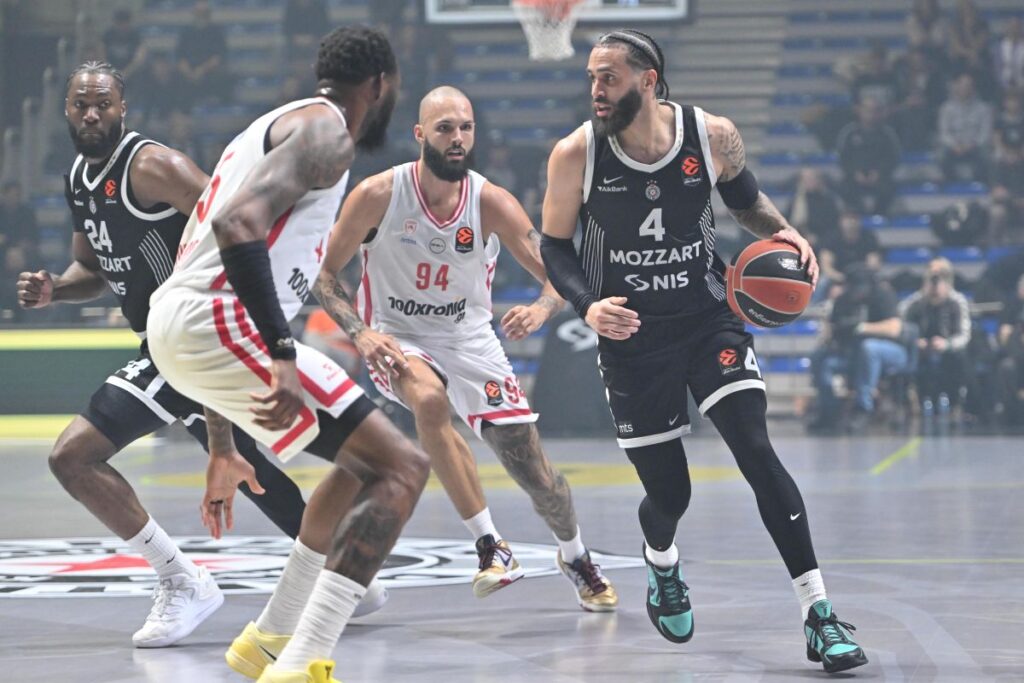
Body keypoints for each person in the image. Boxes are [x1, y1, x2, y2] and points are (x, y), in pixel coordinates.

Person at [538, 29, 867, 674]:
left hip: (709, 317)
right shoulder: (575, 153)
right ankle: (661, 562)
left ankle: (819, 615)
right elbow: (553, 246)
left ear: (648, 80)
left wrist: (785, 231)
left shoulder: (712, 135)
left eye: (608, 77)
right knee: (672, 496)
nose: (596, 90)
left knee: (755, 450)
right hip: (631, 336)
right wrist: (587, 305)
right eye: (591, 78)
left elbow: (746, 203)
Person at [146, 27, 430, 683]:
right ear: (380, 85)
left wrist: (222, 445)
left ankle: (268, 637)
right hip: (217, 317)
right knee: (404, 468)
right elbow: (237, 227)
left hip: (181, 324)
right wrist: (279, 351)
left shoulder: (271, 127)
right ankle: (305, 661)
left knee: (363, 463)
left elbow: (221, 238)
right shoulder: (328, 133)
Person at [14, 62, 321, 649]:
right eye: (81, 103)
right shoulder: (79, 177)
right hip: (165, 341)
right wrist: (57, 286)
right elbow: (93, 270)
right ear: (66, 110)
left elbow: (232, 223)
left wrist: (237, 308)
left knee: (72, 456)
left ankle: (183, 580)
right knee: (249, 470)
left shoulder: (154, 166)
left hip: (187, 335)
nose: (92, 113)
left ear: (123, 108)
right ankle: (341, 571)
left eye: (102, 103)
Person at [315, 86, 618, 610]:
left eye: (466, 128)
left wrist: (542, 309)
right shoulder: (378, 195)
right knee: (429, 402)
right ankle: (489, 545)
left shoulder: (489, 201)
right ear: (420, 135)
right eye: (445, 129)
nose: (458, 139)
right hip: (398, 336)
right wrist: (361, 333)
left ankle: (573, 553)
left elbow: (561, 276)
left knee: (537, 475)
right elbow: (322, 275)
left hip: (471, 338)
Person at [811, 264, 908, 432]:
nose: (857, 293)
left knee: (869, 348)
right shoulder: (842, 301)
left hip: (892, 352)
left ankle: (863, 408)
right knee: (821, 357)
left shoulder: (883, 295)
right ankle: (829, 410)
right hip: (852, 353)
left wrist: (862, 328)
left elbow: (895, 328)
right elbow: (834, 331)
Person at [899, 258, 972, 416]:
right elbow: (900, 325)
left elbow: (964, 335)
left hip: (948, 349)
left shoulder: (957, 301)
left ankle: (956, 404)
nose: (935, 284)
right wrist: (914, 341)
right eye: (931, 277)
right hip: (920, 349)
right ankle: (910, 403)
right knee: (905, 357)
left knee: (961, 357)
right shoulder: (915, 301)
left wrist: (947, 344)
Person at [836, 97, 901, 215]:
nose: (871, 114)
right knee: (844, 187)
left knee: (890, 188)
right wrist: (854, 173)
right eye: (867, 110)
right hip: (855, 176)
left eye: (875, 110)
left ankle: (879, 215)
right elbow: (843, 157)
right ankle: (858, 213)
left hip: (880, 176)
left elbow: (893, 158)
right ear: (859, 111)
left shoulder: (887, 134)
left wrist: (879, 172)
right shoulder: (849, 132)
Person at [938, 72, 993, 183]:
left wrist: (972, 144)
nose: (965, 89)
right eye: (962, 85)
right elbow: (944, 133)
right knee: (941, 155)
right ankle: (950, 185)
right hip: (954, 147)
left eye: (968, 86)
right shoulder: (946, 108)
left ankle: (981, 185)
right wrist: (954, 145)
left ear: (973, 88)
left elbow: (985, 133)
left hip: (975, 146)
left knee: (986, 156)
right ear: (956, 87)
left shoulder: (983, 108)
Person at [175, 1, 228, 105]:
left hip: (209, 70)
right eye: (198, 12)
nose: (201, 15)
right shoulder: (186, 32)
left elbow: (218, 57)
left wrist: (201, 70)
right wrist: (188, 71)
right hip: (189, 70)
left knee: (222, 77)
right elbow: (180, 56)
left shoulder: (216, 31)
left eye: (203, 12)